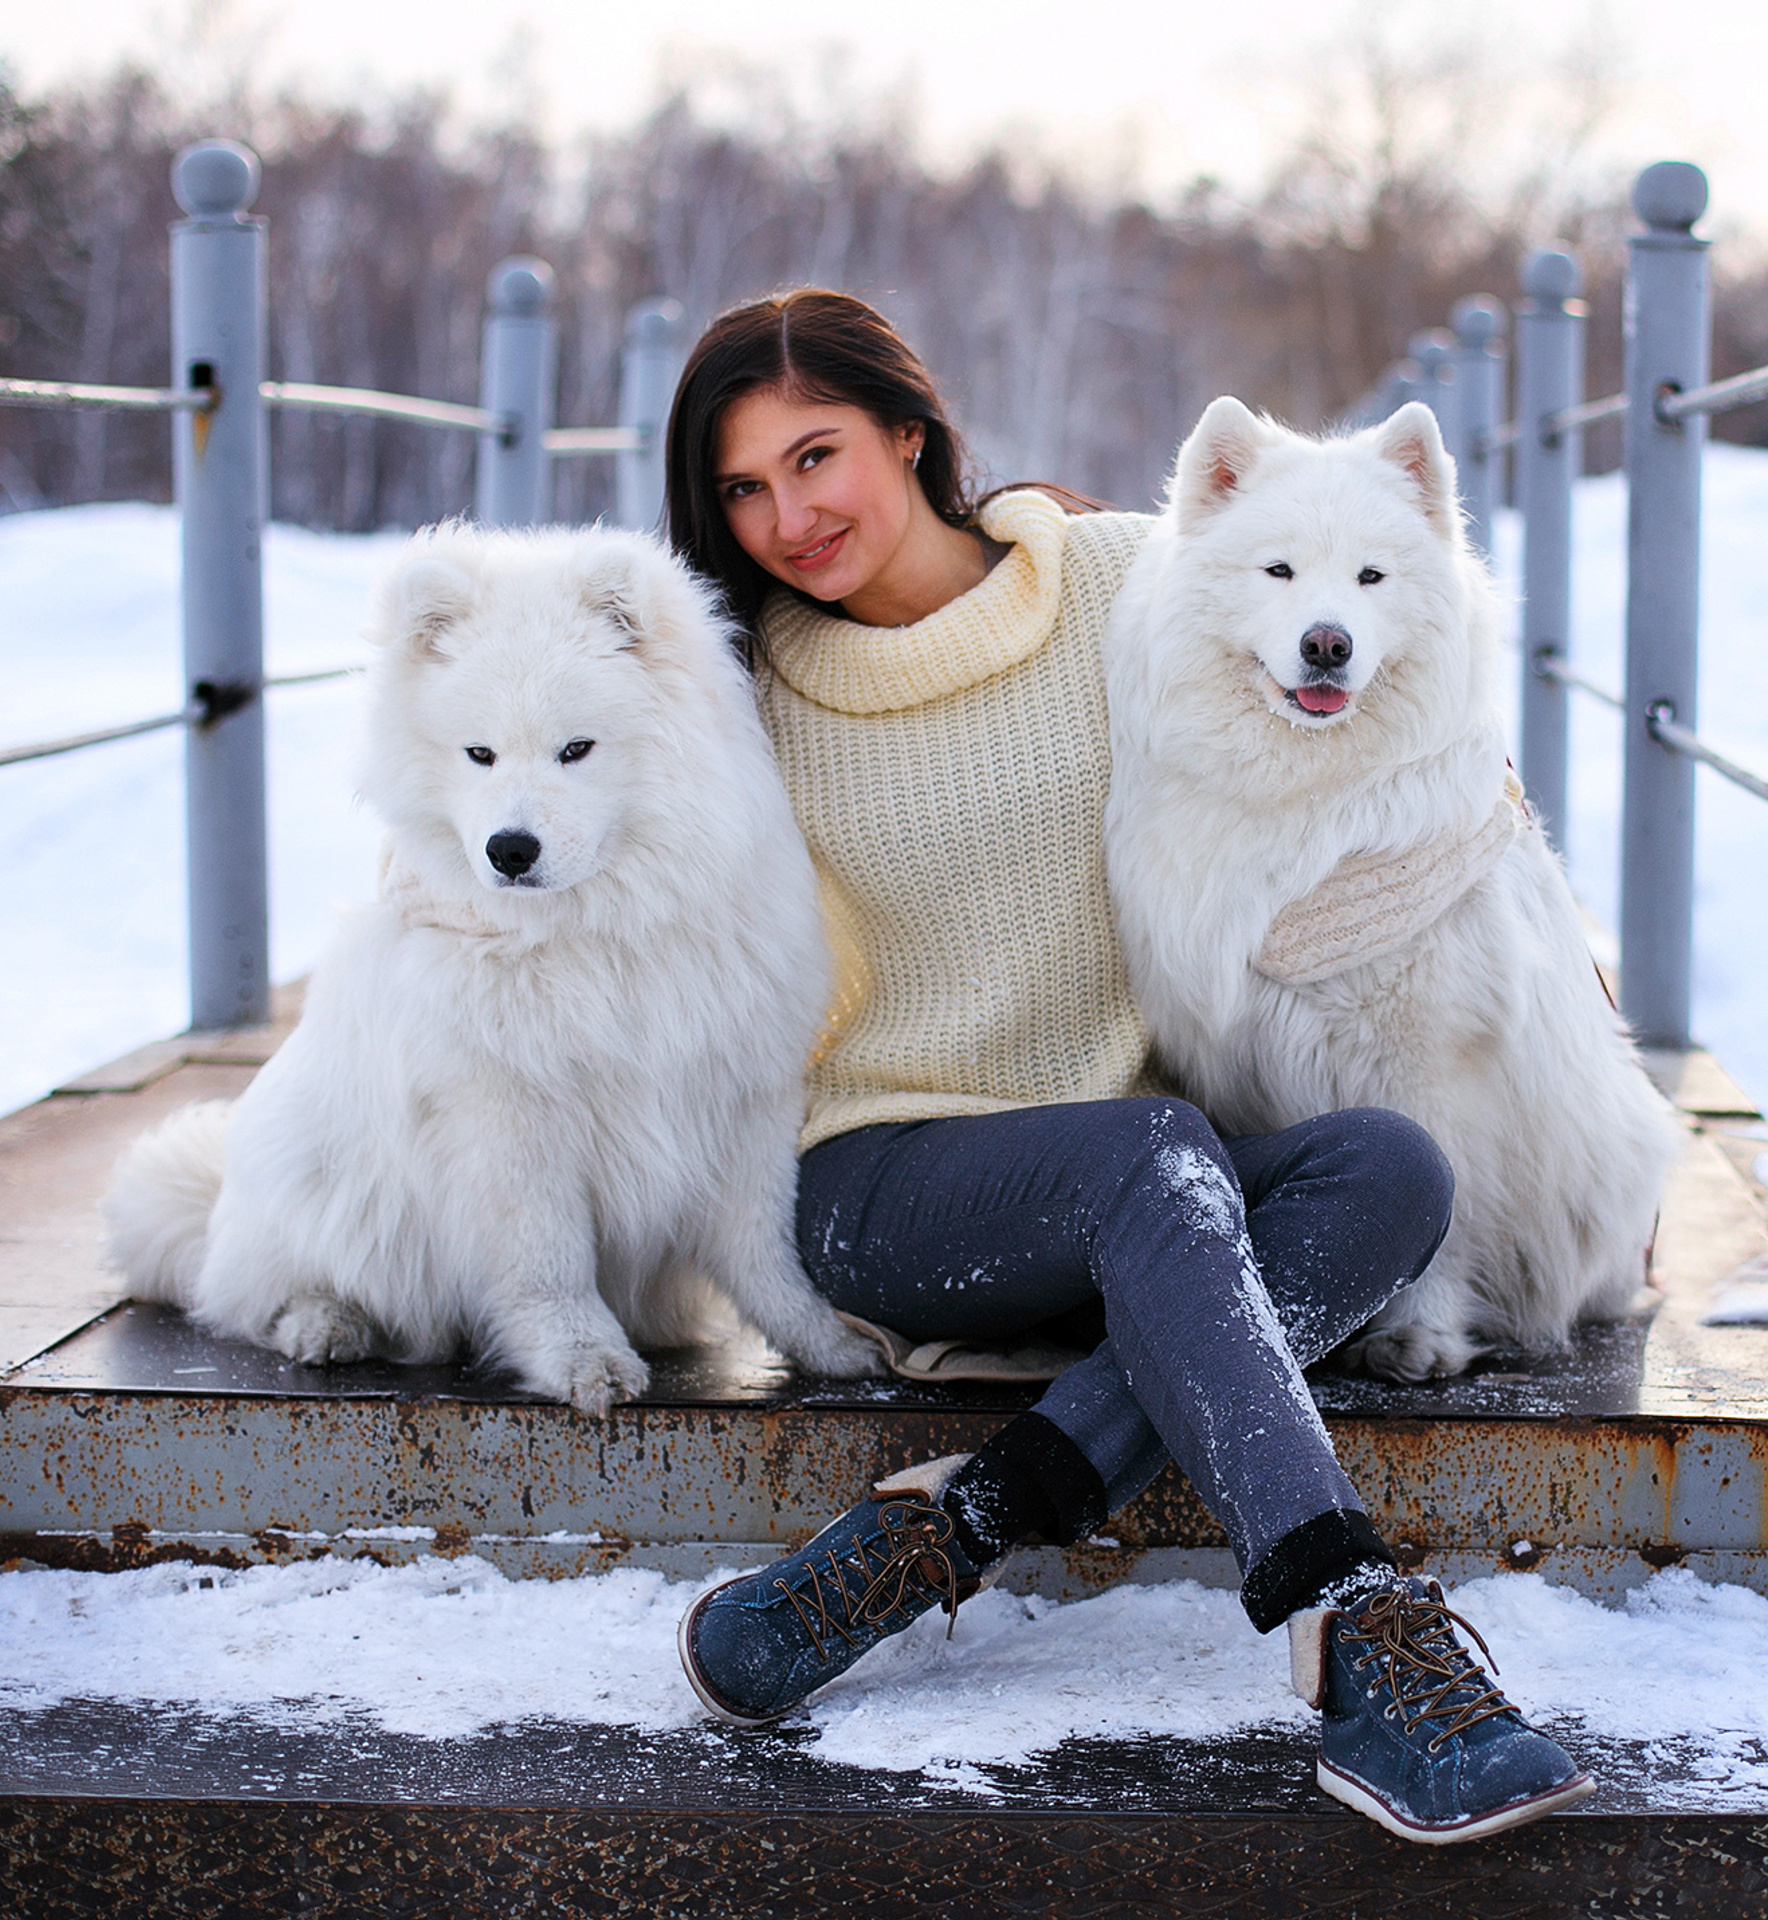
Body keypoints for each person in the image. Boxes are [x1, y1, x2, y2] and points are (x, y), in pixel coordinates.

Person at [660, 289, 1593, 1845]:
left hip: (1150, 1191)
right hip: (896, 1180)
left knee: (1394, 1168)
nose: (787, 517)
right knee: (1159, 1152)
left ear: (910, 431)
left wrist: (1541, 958)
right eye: (744, 488)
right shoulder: (742, 688)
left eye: (816, 456)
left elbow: (1384, 727)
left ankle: (957, 1525)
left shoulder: (1117, 583)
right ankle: (1355, 1623)